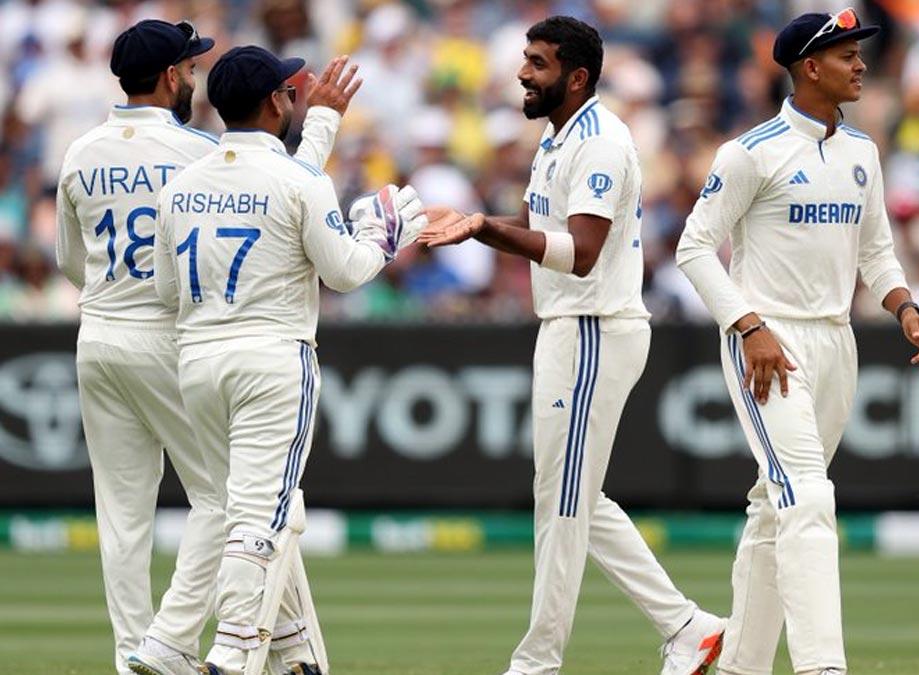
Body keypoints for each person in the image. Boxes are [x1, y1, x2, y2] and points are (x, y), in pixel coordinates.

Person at [418, 16, 725, 675]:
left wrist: (485, 229)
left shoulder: (602, 142)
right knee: (572, 494)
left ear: (577, 77)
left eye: (538, 62)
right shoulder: (558, 139)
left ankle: (537, 661)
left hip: (593, 326)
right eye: (525, 59)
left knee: (561, 501)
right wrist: (483, 225)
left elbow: (580, 253)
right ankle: (687, 624)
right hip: (567, 325)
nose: (523, 72)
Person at [54, 20, 356, 675]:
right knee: (238, 501)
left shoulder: (79, 152)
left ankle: (147, 652)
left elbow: (68, 259)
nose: (193, 79)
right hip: (178, 337)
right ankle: (191, 645)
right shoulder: (196, 151)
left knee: (124, 516)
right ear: (170, 77)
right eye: (189, 69)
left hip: (98, 337)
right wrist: (324, 126)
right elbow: (283, 190)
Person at [675, 9, 919, 675]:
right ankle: (824, 665)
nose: (861, 64)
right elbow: (694, 248)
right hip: (768, 341)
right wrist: (749, 325)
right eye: (847, 54)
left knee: (776, 505)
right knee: (809, 497)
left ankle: (740, 664)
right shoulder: (750, 151)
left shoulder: (862, 152)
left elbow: (876, 252)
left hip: (835, 341)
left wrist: (903, 302)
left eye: (860, 53)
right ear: (808, 67)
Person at [152, 45, 423, 675]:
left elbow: (168, 293)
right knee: (261, 514)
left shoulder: (182, 185)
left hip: (197, 362)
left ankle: (294, 653)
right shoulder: (302, 181)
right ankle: (233, 650)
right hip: (272, 360)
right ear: (278, 102)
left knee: (255, 507)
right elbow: (349, 271)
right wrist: (384, 230)